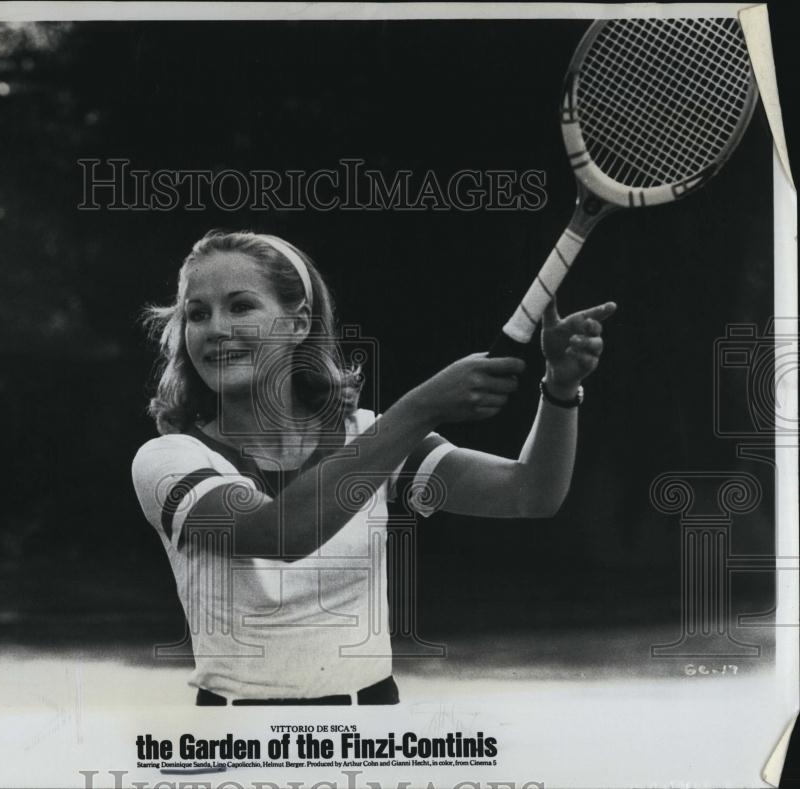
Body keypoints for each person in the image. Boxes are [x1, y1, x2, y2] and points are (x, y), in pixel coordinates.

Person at [132, 229, 616, 706]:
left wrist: (559, 390)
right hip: (235, 745)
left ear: (299, 324)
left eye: (241, 307)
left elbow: (529, 493)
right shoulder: (170, 459)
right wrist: (421, 407)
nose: (216, 328)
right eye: (198, 314)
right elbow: (280, 533)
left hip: (373, 736)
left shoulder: (372, 435)